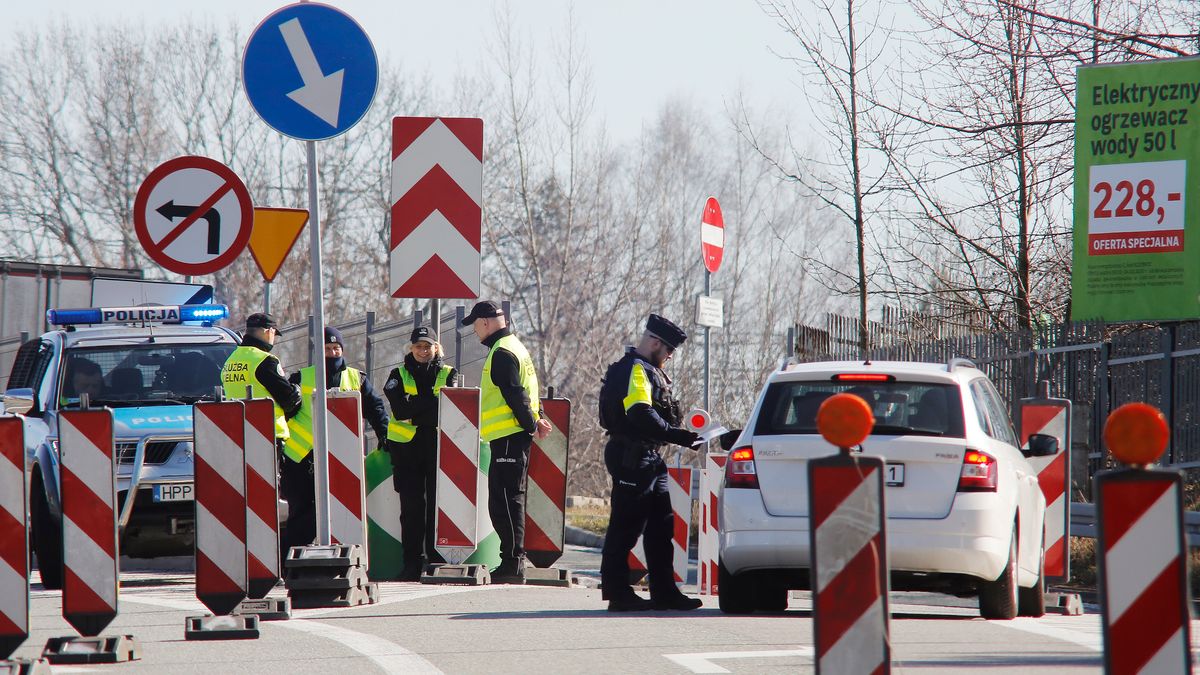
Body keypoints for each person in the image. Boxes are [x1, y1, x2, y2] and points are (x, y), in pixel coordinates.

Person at [597, 314, 703, 612]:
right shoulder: (635, 370)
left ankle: (665, 593)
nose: (669, 357)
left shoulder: (647, 370)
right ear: (655, 342)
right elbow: (640, 413)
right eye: (668, 350)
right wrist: (678, 436)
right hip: (632, 456)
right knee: (626, 527)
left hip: (648, 457)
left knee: (661, 528)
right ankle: (618, 594)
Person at [462, 300, 551, 584]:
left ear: (486, 322)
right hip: (511, 437)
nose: (475, 332)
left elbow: (516, 394)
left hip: (509, 437)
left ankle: (512, 563)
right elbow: (528, 390)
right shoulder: (515, 347)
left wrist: (531, 424)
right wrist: (537, 418)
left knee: (505, 501)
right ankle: (512, 561)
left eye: (475, 325)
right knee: (507, 499)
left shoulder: (501, 353)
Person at [220, 313, 304, 551]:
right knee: (267, 498)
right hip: (268, 436)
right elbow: (289, 400)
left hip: (238, 435)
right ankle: (268, 553)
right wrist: (295, 394)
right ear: (269, 331)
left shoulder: (231, 361)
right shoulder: (265, 360)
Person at [382, 326, 458, 581]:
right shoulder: (397, 374)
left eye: (428, 346)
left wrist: (415, 406)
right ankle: (411, 565)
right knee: (411, 509)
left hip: (439, 447)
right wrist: (432, 403)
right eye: (418, 346)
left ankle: (436, 561)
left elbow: (450, 409)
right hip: (406, 451)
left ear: (437, 348)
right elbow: (400, 411)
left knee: (439, 507)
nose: (423, 351)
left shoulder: (450, 374)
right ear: (411, 348)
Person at [286, 326, 389, 460]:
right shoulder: (300, 378)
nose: (333, 353)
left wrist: (384, 434)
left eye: (336, 348)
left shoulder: (357, 379)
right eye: (327, 349)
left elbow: (376, 409)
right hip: (302, 454)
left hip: (343, 455)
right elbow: (285, 408)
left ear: (342, 350)